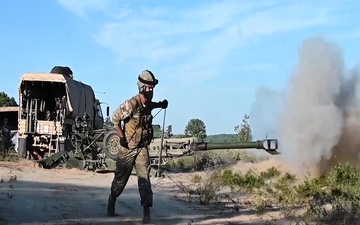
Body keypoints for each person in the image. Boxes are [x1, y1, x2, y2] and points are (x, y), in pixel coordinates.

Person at [108, 69, 168, 224]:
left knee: (144, 178)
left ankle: (146, 212)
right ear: (141, 88)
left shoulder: (147, 103)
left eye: (153, 87)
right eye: (148, 87)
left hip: (141, 148)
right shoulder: (132, 104)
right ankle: (112, 200)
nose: (151, 90)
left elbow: (149, 106)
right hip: (128, 148)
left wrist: (160, 104)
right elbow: (115, 118)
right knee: (120, 180)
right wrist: (121, 138)